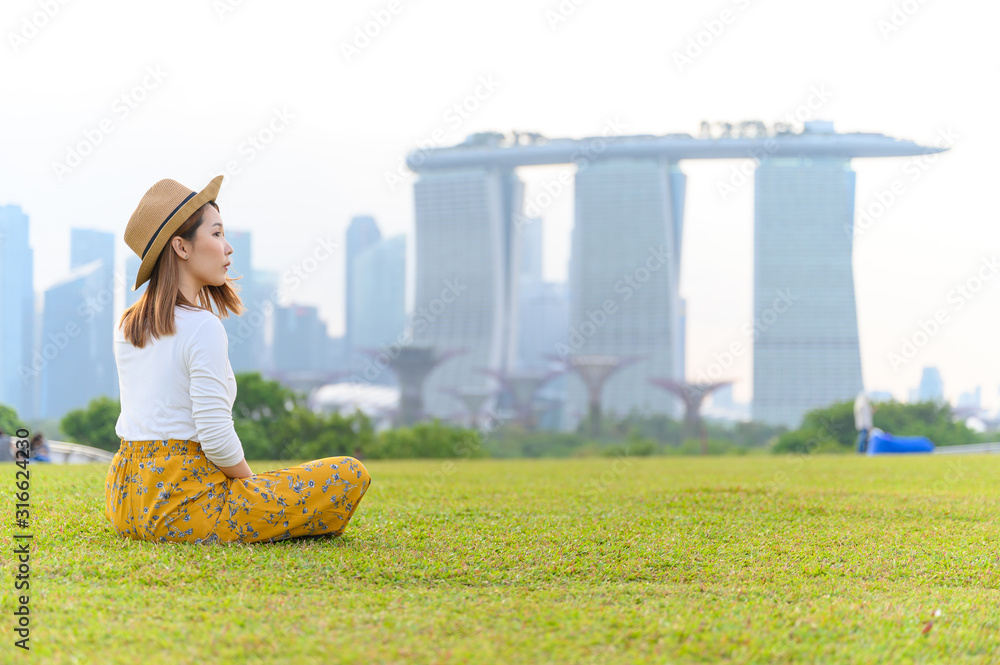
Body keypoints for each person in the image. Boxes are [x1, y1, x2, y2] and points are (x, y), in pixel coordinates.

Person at [105, 175, 371, 544]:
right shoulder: (202, 327)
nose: (228, 248)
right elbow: (214, 435)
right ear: (181, 247)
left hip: (125, 502)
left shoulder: (128, 323)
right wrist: (252, 488)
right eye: (216, 234)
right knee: (349, 474)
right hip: (183, 507)